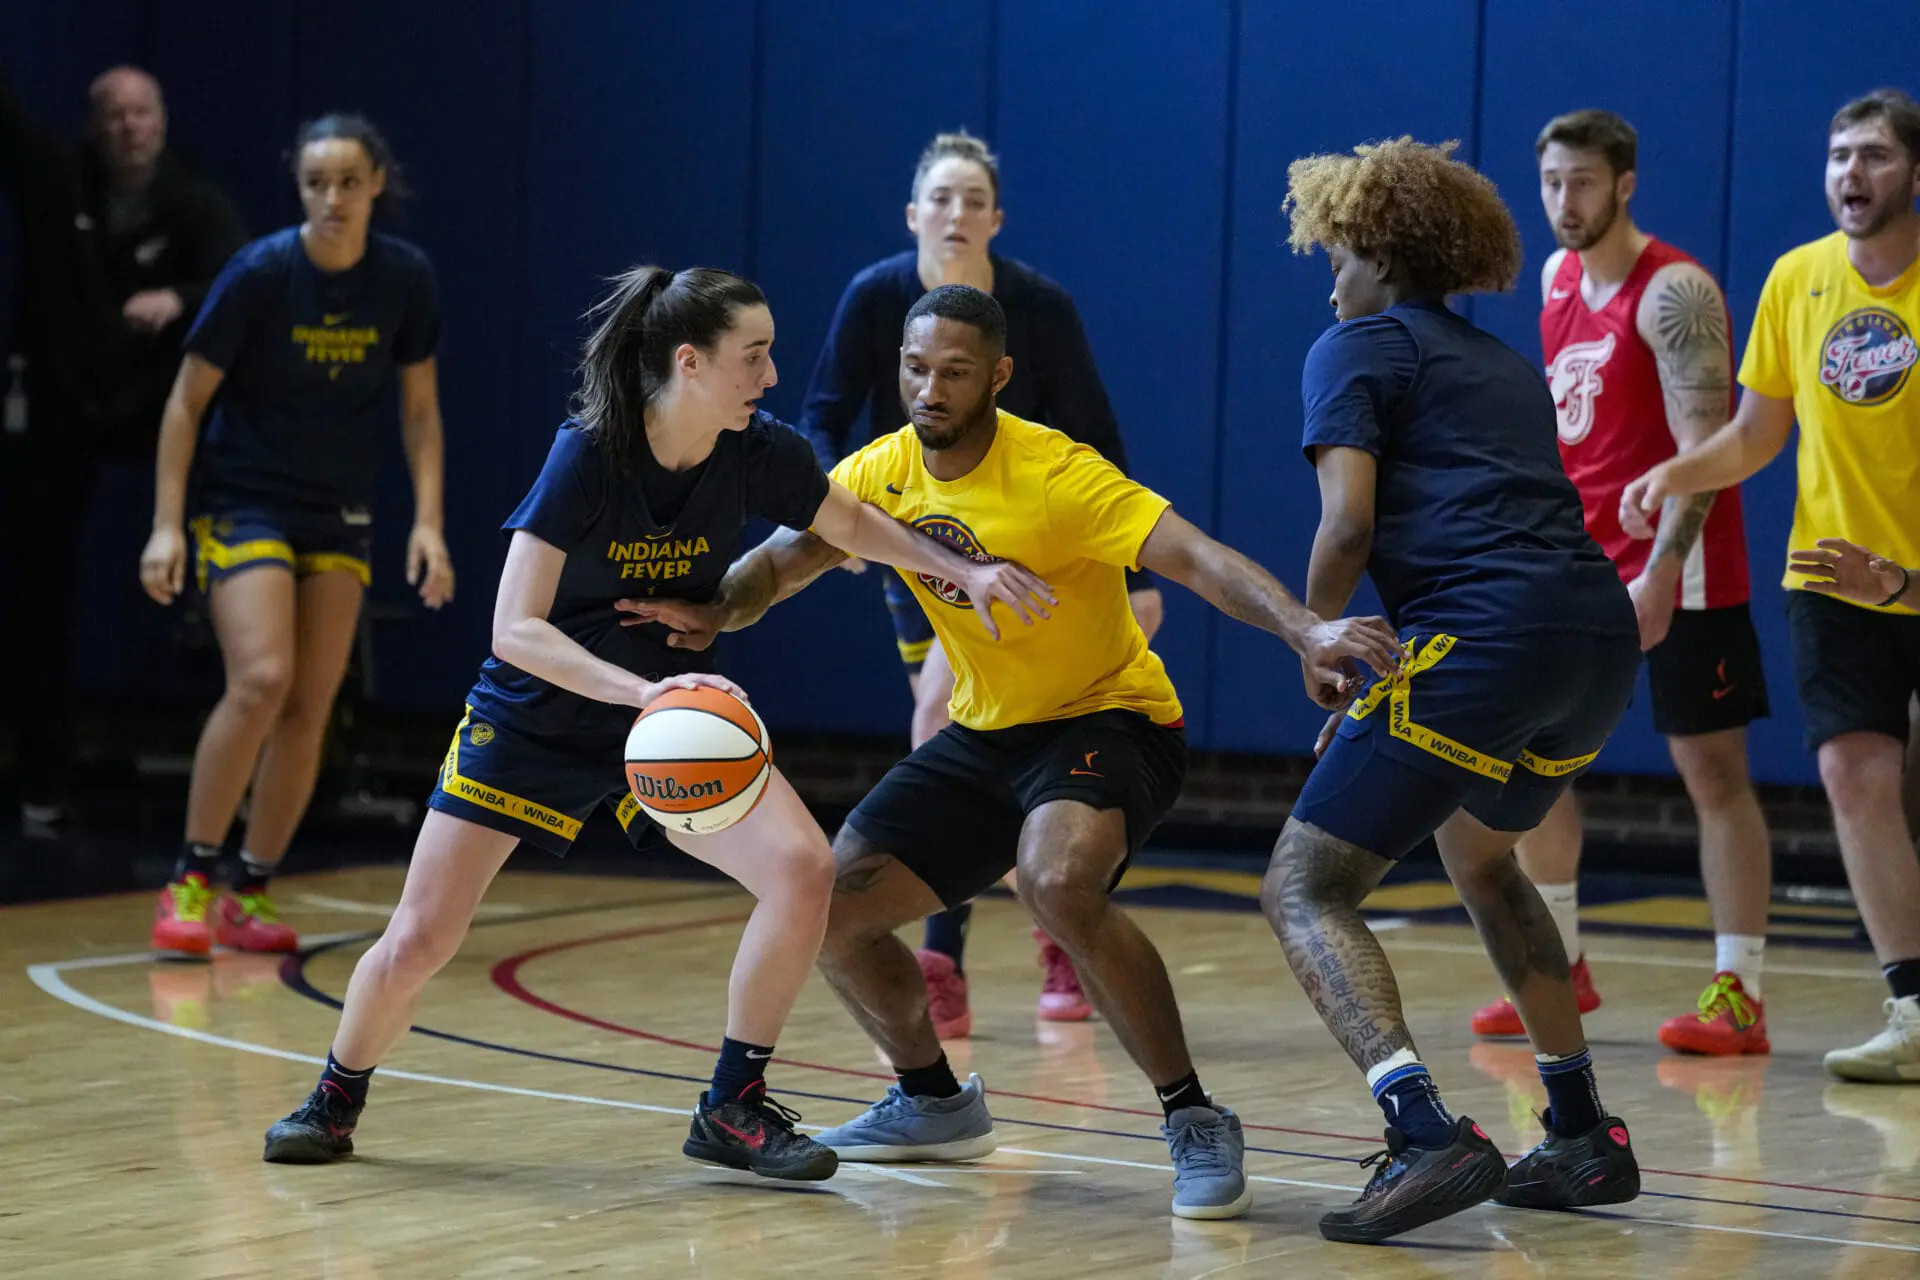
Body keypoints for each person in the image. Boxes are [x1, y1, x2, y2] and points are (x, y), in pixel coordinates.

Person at [259, 266, 1055, 1179]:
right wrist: (644, 693)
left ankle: (733, 1105)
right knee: (422, 937)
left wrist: (966, 573)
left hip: (670, 726)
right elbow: (514, 630)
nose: (768, 374)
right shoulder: (590, 452)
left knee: (803, 871)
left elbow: (855, 525)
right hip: (542, 718)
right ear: (691, 361)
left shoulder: (757, 448)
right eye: (752, 356)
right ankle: (333, 1098)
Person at [632, 284, 1402, 1219]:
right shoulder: (883, 471)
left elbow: (1199, 558)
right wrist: (713, 609)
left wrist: (1305, 631)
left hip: (1111, 721)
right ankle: (931, 1101)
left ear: (997, 376)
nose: (929, 388)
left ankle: (1193, 1115)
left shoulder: (1057, 475)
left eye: (954, 372)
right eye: (916, 368)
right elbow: (783, 564)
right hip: (986, 735)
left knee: (1057, 881)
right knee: (828, 909)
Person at [1267, 138, 1643, 1244]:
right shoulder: (1503, 364)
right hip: (1594, 636)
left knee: (1304, 885)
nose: (1329, 273)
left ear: (1380, 250)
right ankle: (1580, 1131)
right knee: (1483, 859)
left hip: (1484, 635)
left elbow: (1347, 525)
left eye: (1337, 250)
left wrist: (1316, 641)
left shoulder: (1354, 345)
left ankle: (1422, 1129)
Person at [798, 130, 1164, 1034]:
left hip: (1038, 559)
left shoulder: (1041, 306)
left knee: (947, 724)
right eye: (941, 198)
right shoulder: (875, 295)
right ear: (913, 214)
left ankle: (998, 937)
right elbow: (817, 418)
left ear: (996, 219)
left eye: (973, 200)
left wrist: (1131, 568)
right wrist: (826, 518)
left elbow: (1101, 436)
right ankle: (1002, 938)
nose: (956, 214)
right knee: (952, 727)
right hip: (923, 545)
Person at [1623, 88, 1920, 1083]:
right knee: (1852, 772)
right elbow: (1756, 433)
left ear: (1914, 173)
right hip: (1834, 574)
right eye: (1839, 155)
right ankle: (1913, 1005)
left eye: (1873, 156)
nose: (1851, 174)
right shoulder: (1798, 280)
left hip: (1910, 573)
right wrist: (1678, 470)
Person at [1469, 109, 1775, 1056]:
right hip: (1576, 563)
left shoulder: (1675, 292)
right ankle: (1561, 955)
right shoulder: (1558, 278)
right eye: (1553, 182)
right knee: (1536, 756)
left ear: (1625, 184)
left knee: (1711, 772)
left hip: (1678, 572)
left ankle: (1740, 990)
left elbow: (1705, 454)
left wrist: (1661, 572)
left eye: (1584, 183)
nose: (1565, 201)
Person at [137, 115, 452, 957]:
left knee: (312, 703)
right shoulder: (260, 273)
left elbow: (418, 412)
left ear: (376, 184)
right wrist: (167, 527)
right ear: (299, 187)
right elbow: (184, 403)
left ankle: (251, 888)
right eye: (317, 183)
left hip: (337, 510)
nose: (333, 199)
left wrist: (428, 522)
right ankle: (191, 876)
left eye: (349, 181)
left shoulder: (405, 279)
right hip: (246, 499)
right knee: (262, 679)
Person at [0, 63, 245, 834]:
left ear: (163, 120)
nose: (128, 126)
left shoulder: (195, 201)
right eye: (112, 113)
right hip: (61, 406)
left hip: (159, 409)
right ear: (91, 124)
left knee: (233, 560)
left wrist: (181, 297)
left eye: (141, 112)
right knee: (39, 589)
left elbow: (242, 279)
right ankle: (44, 780)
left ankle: (231, 791)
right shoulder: (57, 182)